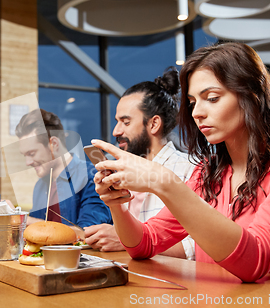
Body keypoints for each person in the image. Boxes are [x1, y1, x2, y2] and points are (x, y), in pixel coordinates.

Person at [91, 43, 270, 282]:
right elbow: (143, 245)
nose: (197, 113)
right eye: (193, 102)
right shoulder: (207, 172)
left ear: (252, 95)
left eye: (212, 98)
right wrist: (117, 202)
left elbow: (257, 260)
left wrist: (164, 182)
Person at [84, 67, 195, 258]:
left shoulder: (189, 169)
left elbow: (196, 247)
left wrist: (128, 241)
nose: (116, 131)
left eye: (125, 122)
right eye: (117, 121)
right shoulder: (122, 174)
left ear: (153, 124)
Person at [15, 108, 113, 233]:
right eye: (25, 155)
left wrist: (22, 219)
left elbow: (87, 234)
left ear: (54, 144)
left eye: (32, 153)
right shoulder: (40, 186)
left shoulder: (91, 177)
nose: (27, 162)